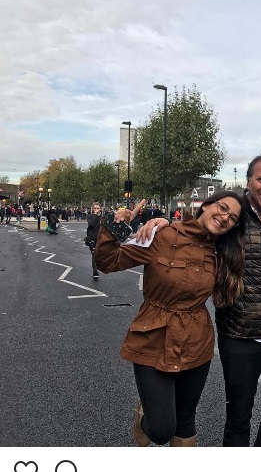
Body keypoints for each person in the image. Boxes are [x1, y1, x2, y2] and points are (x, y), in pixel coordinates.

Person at [138, 154, 261, 447]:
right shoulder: (231, 220)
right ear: (248, 182)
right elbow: (194, 232)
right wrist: (162, 222)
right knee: (239, 414)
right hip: (238, 335)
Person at [94, 191, 245, 447]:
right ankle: (144, 415)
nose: (224, 218)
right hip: (152, 337)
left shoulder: (223, 250)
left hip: (196, 341)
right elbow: (108, 262)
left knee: (186, 419)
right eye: (222, 208)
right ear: (206, 205)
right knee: (162, 429)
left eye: (232, 218)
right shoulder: (161, 235)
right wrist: (115, 226)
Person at [85, 202, 102, 280]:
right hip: (92, 238)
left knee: (99, 255)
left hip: (101, 238)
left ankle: (99, 267)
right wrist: (95, 215)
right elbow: (92, 224)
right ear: (92, 209)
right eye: (94, 208)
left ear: (100, 209)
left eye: (97, 208)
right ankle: (95, 272)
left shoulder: (102, 217)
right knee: (94, 254)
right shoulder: (89, 216)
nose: (96, 210)